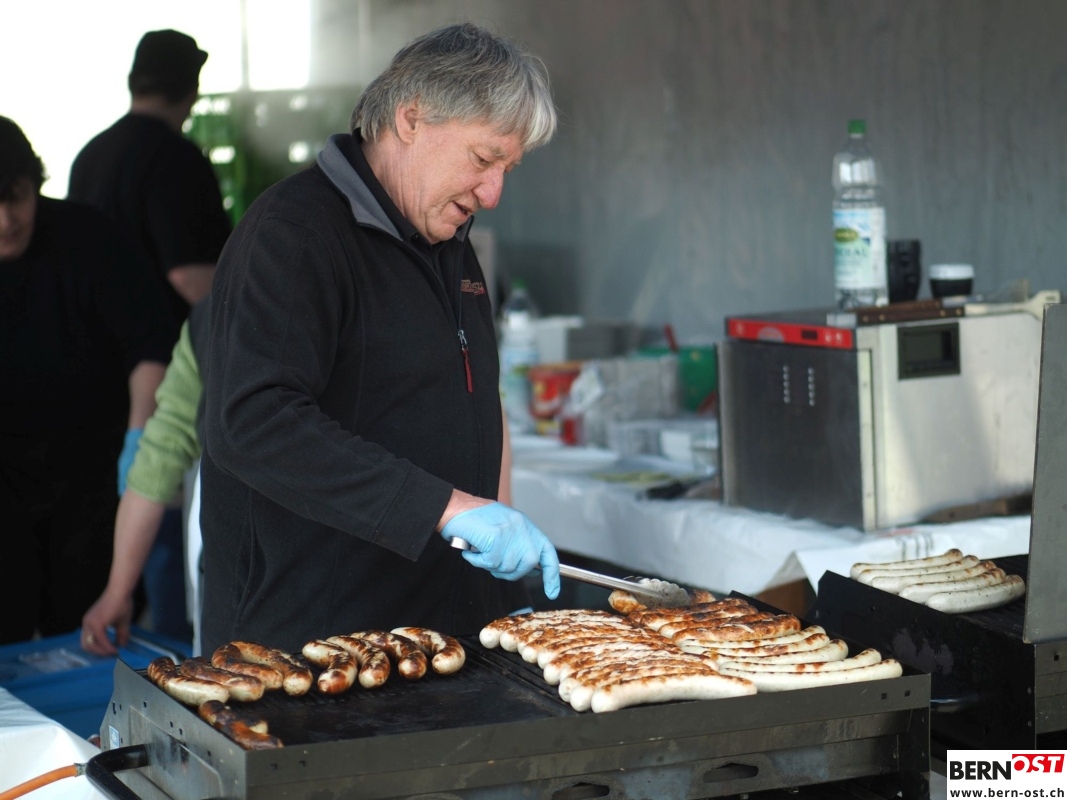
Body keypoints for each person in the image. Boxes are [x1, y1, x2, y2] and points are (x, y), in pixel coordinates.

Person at [200, 22, 561, 656]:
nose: (493, 193)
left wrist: (503, 596)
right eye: (483, 160)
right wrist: (445, 509)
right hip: (311, 646)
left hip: (440, 639)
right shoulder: (295, 233)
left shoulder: (450, 243)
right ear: (411, 118)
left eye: (508, 168)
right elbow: (252, 421)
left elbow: (480, 400)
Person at [68, 29, 232, 641]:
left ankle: (115, 627)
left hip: (95, 379)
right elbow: (190, 274)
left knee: (112, 532)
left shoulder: (91, 154)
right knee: (167, 538)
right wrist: (250, 303)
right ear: (190, 88)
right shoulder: (176, 158)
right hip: (168, 372)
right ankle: (168, 651)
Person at [0, 117, 173, 645]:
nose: (6, 221)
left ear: (35, 183)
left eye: (16, 197)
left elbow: (150, 346)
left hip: (91, 473)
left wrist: (138, 438)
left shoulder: (89, 237)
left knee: (90, 630)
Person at [80, 296, 212, 657]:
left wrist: (117, 592)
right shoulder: (211, 319)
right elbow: (156, 464)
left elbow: (157, 461)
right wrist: (117, 592)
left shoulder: (214, 314)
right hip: (235, 595)